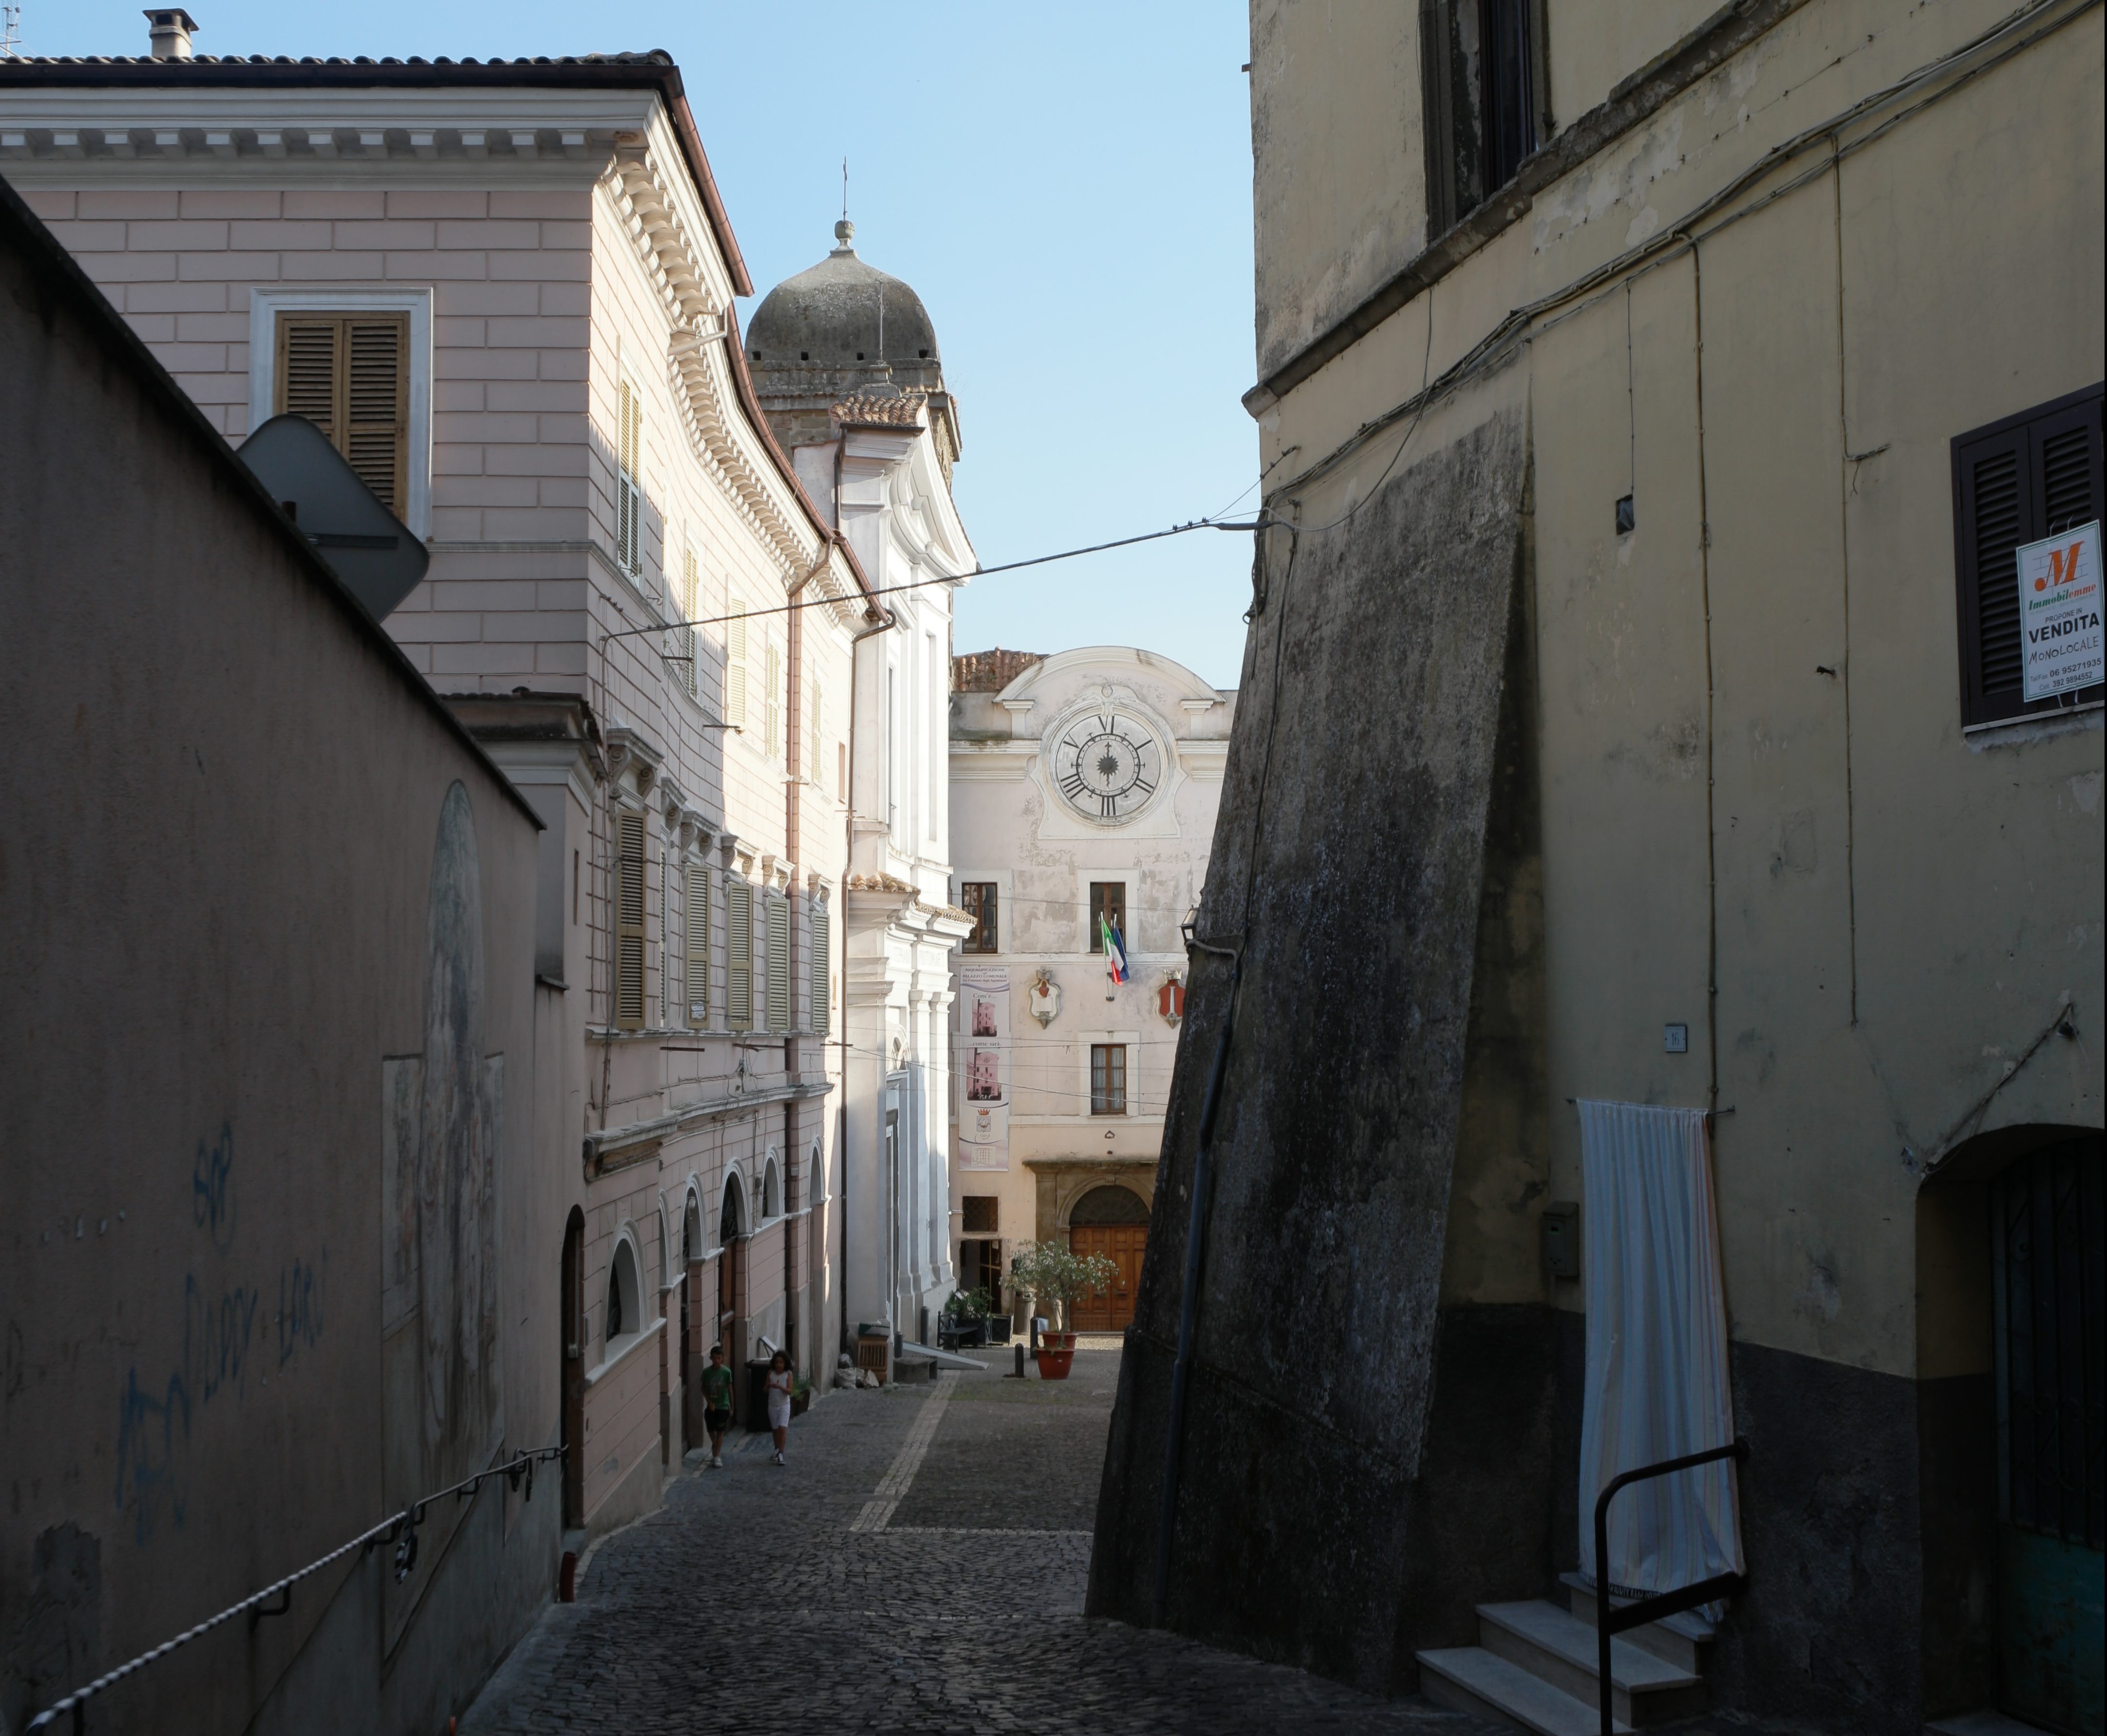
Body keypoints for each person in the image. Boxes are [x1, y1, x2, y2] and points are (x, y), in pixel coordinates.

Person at [700, 1344, 734, 1470]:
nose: (716, 1361)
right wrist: (708, 1401)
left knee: (720, 1432)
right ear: (711, 1358)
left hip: (723, 1406)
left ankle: (717, 1456)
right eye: (714, 1358)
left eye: (719, 1358)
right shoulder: (707, 1372)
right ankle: (715, 1446)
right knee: (710, 1430)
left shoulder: (726, 1372)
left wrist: (732, 1407)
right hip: (711, 1406)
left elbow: (730, 1390)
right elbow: (703, 1388)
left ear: (723, 1358)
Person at [764, 1350, 795, 1466]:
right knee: (775, 1429)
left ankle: (781, 1453)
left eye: (781, 1363)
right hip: (772, 1404)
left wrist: (779, 1387)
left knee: (782, 1429)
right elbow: (765, 1389)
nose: (779, 1365)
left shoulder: (788, 1374)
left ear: (785, 1363)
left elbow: (790, 1391)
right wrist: (768, 1386)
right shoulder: (770, 1373)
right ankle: (776, 1448)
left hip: (784, 1405)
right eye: (777, 1362)